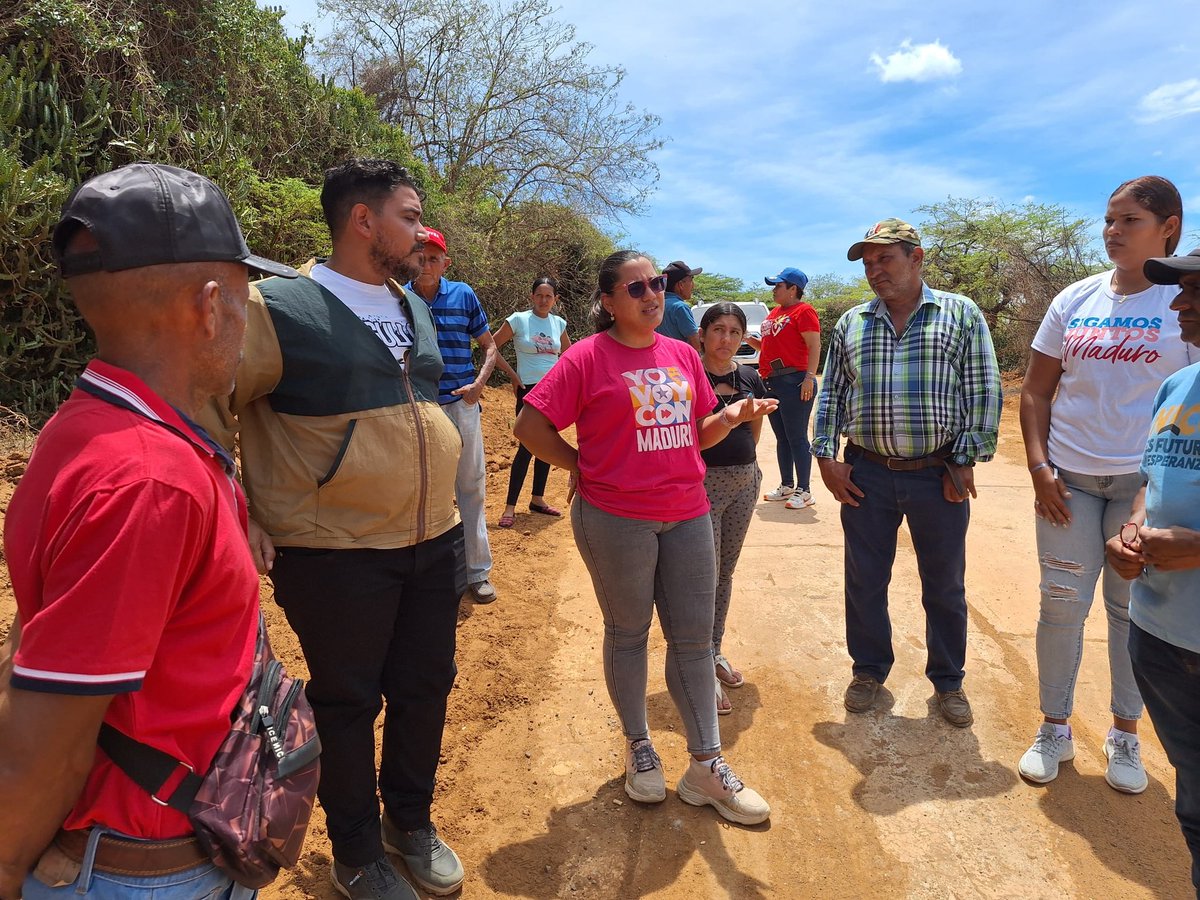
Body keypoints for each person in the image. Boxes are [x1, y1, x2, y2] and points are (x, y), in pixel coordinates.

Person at [0, 162, 297, 899]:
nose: (247, 322)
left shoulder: (92, 427)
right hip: (143, 871)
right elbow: (50, 737)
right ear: (209, 307)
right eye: (244, 298)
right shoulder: (150, 480)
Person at [206, 159, 465, 900]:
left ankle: (408, 823)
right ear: (363, 220)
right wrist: (238, 506)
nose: (421, 232)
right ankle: (356, 853)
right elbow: (207, 400)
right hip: (334, 550)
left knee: (426, 687)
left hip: (434, 534)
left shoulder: (412, 305)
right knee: (349, 701)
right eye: (409, 217)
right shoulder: (279, 307)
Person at [513, 250, 777, 825]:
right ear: (608, 302)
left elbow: (697, 433)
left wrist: (730, 418)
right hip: (616, 517)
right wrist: (580, 465)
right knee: (629, 633)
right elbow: (529, 425)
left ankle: (706, 766)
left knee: (695, 640)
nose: (652, 294)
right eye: (636, 288)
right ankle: (639, 746)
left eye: (656, 283)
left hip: (687, 512)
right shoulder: (585, 357)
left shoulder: (681, 353)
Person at [1017, 176, 1187, 793]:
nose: (1113, 231)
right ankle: (1054, 727)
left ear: (1168, 227)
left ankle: (1125, 733)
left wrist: (1158, 497)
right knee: (1060, 604)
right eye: (1109, 220)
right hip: (1068, 482)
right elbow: (1036, 391)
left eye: (1129, 220)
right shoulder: (1075, 298)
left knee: (1128, 611)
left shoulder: (1183, 305)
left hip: (1143, 489)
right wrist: (1040, 469)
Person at [813, 218, 1001, 727]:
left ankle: (949, 680)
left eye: (885, 259)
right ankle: (868, 670)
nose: (875, 270)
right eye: (868, 263)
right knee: (865, 580)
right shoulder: (852, 323)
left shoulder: (960, 314)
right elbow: (832, 394)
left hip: (937, 474)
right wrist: (826, 458)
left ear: (916, 258)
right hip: (866, 474)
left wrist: (965, 459)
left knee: (944, 584)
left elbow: (983, 390)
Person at [1107, 246, 1200, 897]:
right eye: (1180, 291)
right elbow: (1150, 480)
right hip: (1161, 636)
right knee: (1193, 803)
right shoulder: (1177, 386)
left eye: (1196, 293)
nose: (1180, 304)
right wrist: (1131, 530)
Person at [409, 228, 509, 604]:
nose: (427, 264)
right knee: (422, 491)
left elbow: (489, 346)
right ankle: (430, 575)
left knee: (470, 487)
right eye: (421, 257)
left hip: (461, 404)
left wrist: (478, 386)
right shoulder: (399, 297)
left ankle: (477, 572)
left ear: (446, 263)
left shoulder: (463, 294)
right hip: (419, 408)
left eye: (434, 258)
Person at [698, 302, 768, 713]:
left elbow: (754, 432)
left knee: (725, 573)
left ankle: (714, 650)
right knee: (702, 577)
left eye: (735, 332)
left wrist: (748, 470)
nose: (726, 339)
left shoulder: (750, 377)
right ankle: (697, 664)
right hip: (702, 488)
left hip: (744, 483)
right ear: (703, 334)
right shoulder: (690, 376)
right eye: (718, 330)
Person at [492, 276, 572, 528]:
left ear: (556, 299)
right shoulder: (519, 319)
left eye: (549, 296)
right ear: (531, 296)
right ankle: (509, 507)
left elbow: (570, 356)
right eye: (539, 295)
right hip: (529, 389)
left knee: (547, 444)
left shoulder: (558, 323)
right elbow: (490, 346)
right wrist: (513, 375)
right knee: (526, 447)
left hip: (554, 390)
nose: (543, 300)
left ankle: (537, 498)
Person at [748, 267, 821, 510]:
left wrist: (809, 377)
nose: (774, 290)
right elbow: (768, 347)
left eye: (778, 286)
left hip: (795, 380)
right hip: (772, 381)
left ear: (793, 289)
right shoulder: (774, 313)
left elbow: (814, 345)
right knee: (782, 437)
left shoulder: (804, 311)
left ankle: (805, 490)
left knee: (797, 437)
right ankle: (787, 484)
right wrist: (749, 341)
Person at [655, 259, 702, 351]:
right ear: (681, 285)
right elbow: (696, 345)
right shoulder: (680, 307)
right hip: (679, 358)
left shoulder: (657, 305)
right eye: (691, 280)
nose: (693, 285)